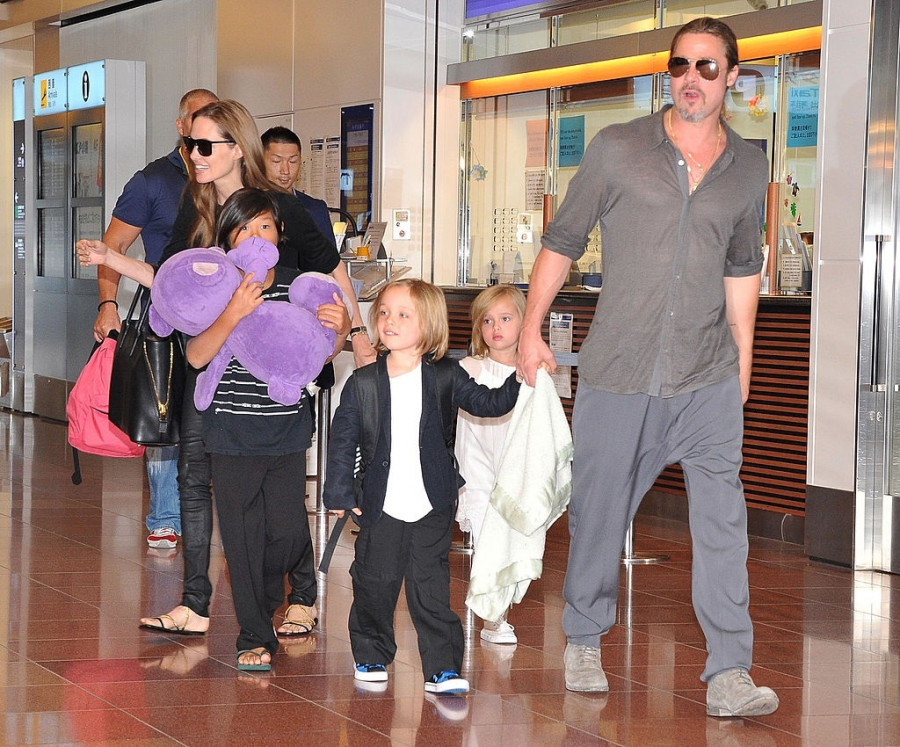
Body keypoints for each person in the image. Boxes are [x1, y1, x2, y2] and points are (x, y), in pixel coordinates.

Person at [515, 17, 779, 718]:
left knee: (722, 518)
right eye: (680, 65)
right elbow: (562, 239)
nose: (691, 79)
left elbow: (743, 268)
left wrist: (743, 368)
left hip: (708, 375)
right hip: (620, 368)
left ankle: (729, 669)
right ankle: (582, 636)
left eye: (707, 67)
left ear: (732, 78)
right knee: (602, 510)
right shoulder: (617, 149)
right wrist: (530, 329)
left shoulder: (750, 166)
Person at [82, 100, 349, 637]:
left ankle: (302, 593)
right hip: (207, 360)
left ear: (234, 148)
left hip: (270, 373)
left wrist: (352, 334)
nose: (194, 156)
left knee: (280, 496)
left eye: (204, 147)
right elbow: (169, 278)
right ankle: (195, 605)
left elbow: (332, 268)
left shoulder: (278, 208)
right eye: (189, 146)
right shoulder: (196, 206)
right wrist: (114, 264)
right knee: (192, 474)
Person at [323, 278, 521, 695]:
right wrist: (339, 492)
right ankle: (372, 653)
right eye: (384, 313)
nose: (389, 321)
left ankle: (442, 668)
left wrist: (521, 377)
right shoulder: (364, 383)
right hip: (380, 504)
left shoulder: (447, 375)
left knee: (431, 589)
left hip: (432, 503)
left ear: (428, 325)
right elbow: (342, 440)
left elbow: (489, 403)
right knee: (374, 583)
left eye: (402, 314)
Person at [182, 188, 348, 671]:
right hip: (231, 435)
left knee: (288, 531)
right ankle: (253, 634)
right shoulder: (218, 287)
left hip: (287, 433)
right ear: (228, 236)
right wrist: (233, 310)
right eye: (244, 227)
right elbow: (196, 356)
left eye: (265, 226)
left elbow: (319, 352)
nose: (255, 236)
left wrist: (337, 332)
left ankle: (267, 588)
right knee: (240, 538)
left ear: (279, 234)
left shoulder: (301, 285)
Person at [89, 88, 218, 549]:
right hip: (163, 315)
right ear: (182, 126)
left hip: (220, 315)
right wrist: (108, 305)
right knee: (163, 408)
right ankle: (166, 513)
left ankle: (212, 506)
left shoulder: (228, 179)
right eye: (197, 118)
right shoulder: (152, 181)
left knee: (211, 410)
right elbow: (113, 249)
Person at [261, 125, 376, 368]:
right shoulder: (252, 207)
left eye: (292, 161)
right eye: (276, 161)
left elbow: (332, 267)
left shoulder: (313, 208)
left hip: (311, 314)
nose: (285, 170)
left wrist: (356, 330)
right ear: (259, 161)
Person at [455, 284, 525, 645]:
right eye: (487, 320)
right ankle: (494, 617)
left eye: (505, 318)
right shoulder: (469, 369)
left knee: (514, 546)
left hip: (516, 478)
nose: (496, 327)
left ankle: (501, 608)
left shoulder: (534, 373)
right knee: (488, 543)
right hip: (477, 477)